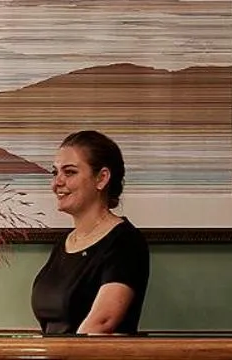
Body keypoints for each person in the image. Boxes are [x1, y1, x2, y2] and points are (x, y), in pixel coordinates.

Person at [30, 129, 149, 335]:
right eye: (55, 172)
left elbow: (102, 323)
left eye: (69, 172)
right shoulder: (64, 243)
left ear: (101, 178)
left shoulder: (125, 242)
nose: (57, 182)